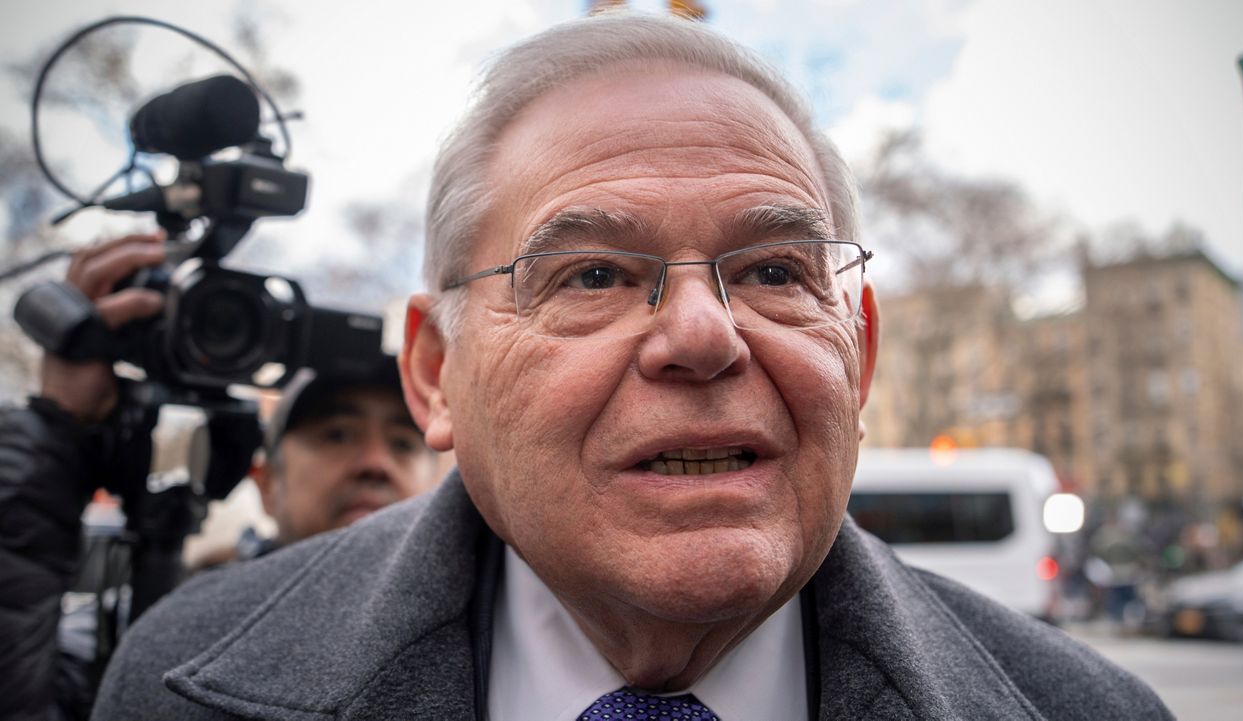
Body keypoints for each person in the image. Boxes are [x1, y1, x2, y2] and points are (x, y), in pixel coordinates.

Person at [93, 13, 1172, 720]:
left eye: (770, 270)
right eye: (595, 275)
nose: (704, 335)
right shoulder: (176, 681)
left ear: (861, 352)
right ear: (434, 376)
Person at [0, 233, 440, 721]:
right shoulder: (158, 639)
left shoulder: (485, 642)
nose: (375, 462)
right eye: (337, 434)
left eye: (403, 442)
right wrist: (58, 426)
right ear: (265, 482)